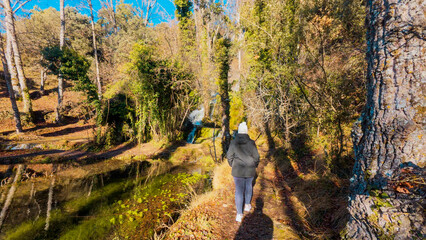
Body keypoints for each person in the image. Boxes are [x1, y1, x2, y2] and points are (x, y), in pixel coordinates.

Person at [226, 122, 260, 222]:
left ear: (239, 131)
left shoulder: (233, 142)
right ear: (246, 131)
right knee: (249, 186)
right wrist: (254, 165)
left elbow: (229, 156)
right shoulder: (251, 142)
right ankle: (247, 205)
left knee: (239, 191)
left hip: (237, 170)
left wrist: (233, 165)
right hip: (250, 169)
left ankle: (239, 214)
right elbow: (257, 157)